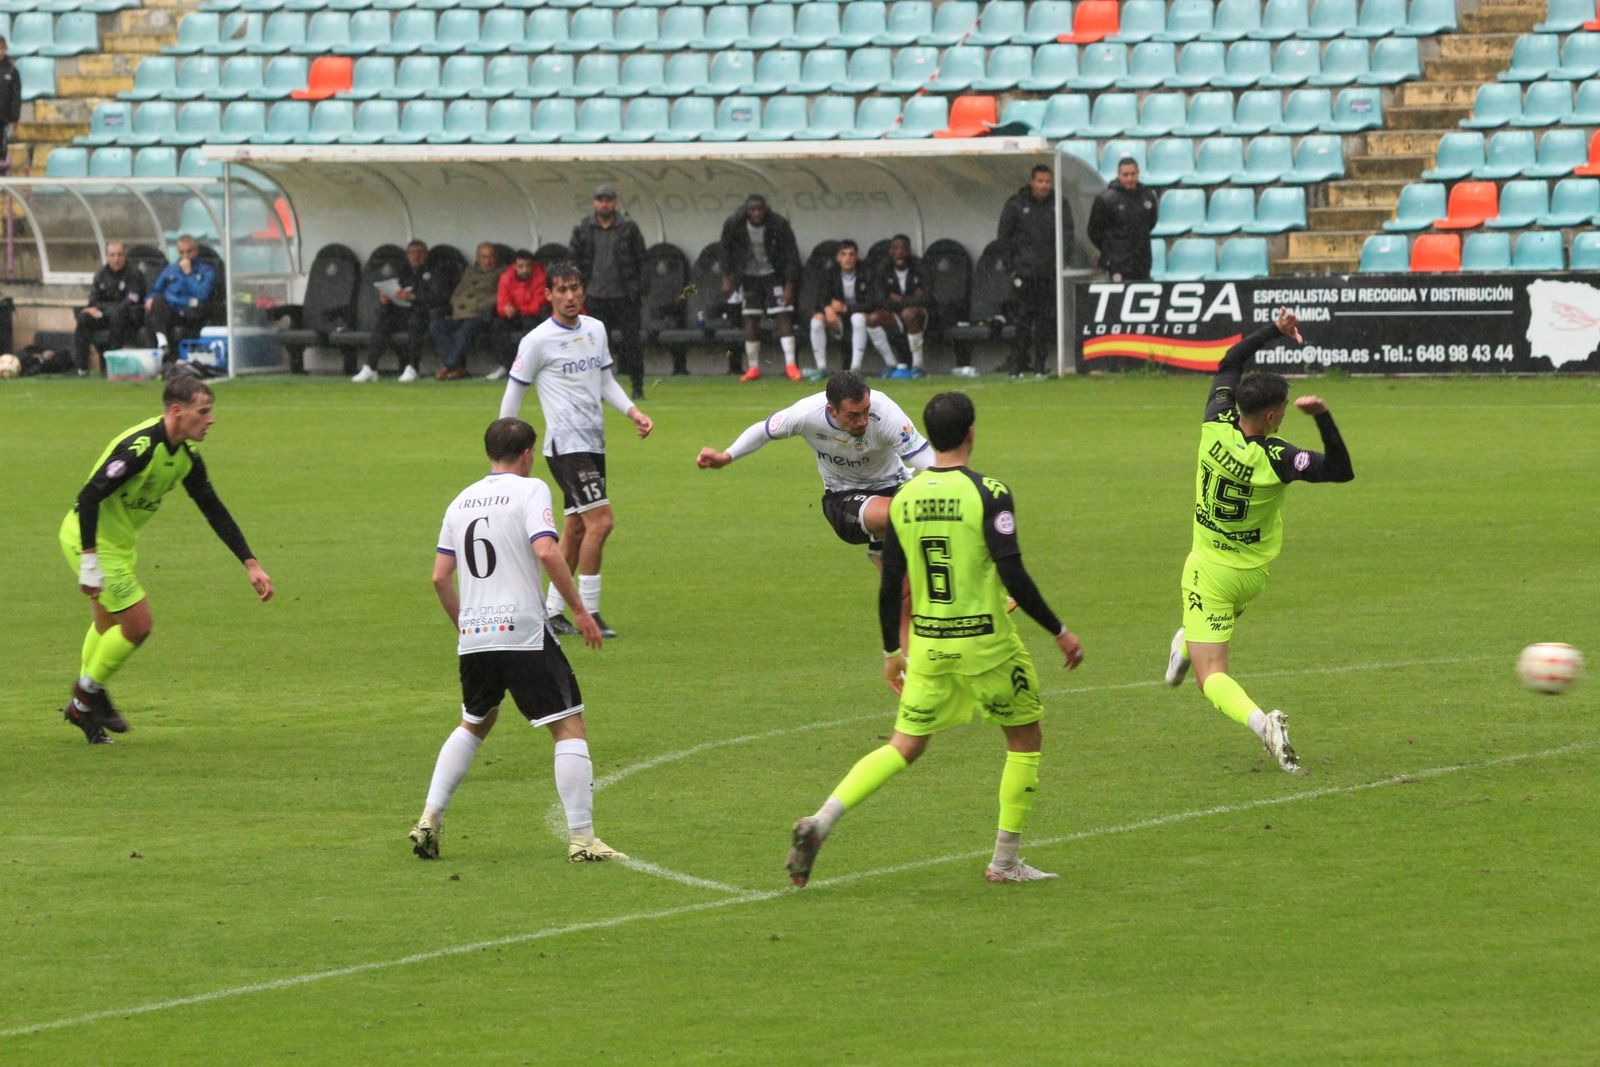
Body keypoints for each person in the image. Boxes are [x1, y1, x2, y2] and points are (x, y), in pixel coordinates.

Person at [785, 391, 1084, 887]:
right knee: (1024, 738)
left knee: (903, 746)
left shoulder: (904, 499)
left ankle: (822, 820)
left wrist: (890, 652)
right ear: (970, 433)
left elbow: (890, 583)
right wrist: (1059, 630)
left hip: (926, 645)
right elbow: (1014, 572)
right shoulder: (989, 491)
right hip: (985, 644)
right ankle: (1005, 861)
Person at [411, 416, 625, 864]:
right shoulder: (531, 491)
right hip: (523, 631)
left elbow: (439, 577)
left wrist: (464, 624)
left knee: (475, 723)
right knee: (569, 726)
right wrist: (581, 611)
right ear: (528, 454)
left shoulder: (460, 501)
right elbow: (547, 550)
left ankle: (430, 816)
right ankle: (583, 840)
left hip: (475, 636)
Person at [1163, 308, 1354, 773]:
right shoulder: (1280, 457)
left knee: (1212, 677)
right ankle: (1184, 642)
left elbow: (1231, 357)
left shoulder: (1214, 424)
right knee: (1202, 628)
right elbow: (1340, 470)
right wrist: (1324, 418)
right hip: (1251, 574)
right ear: (1272, 416)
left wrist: (1274, 331)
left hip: (1210, 569)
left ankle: (1262, 724)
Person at [57, 375, 274, 744]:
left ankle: (84, 703)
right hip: (88, 538)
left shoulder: (186, 458)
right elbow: (89, 496)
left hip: (119, 545)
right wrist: (90, 560)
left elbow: (214, 510)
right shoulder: (141, 447)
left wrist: (250, 562)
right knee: (138, 624)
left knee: (108, 624)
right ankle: (87, 693)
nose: (211, 420)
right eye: (203, 412)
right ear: (177, 411)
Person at [498, 263, 653, 639]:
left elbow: (605, 380)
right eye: (561, 290)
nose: (569, 296)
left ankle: (551, 612)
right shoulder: (537, 340)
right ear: (548, 295)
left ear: (582, 291)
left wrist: (633, 412)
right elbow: (512, 398)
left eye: (575, 288)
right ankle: (591, 611)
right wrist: (506, 454)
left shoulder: (595, 330)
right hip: (565, 447)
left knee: (577, 527)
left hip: (593, 443)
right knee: (602, 522)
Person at [695, 369, 930, 572]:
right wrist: (726, 456)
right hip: (843, 498)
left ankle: (886, 553)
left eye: (866, 411)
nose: (863, 421)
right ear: (832, 410)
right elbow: (763, 430)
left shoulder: (886, 412)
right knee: (902, 514)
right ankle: (886, 546)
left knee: (907, 593)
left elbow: (924, 459)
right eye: (853, 415)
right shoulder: (805, 414)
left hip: (895, 487)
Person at [570, 184, 648, 401]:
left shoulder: (629, 228)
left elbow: (642, 260)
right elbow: (574, 260)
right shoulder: (583, 229)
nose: (604, 204)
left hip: (625, 296)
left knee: (632, 344)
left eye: (608, 200)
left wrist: (641, 289)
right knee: (596, 347)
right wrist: (578, 290)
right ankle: (600, 389)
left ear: (615, 203)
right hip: (595, 295)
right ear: (595, 203)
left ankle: (637, 387)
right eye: (600, 200)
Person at [997, 164, 1073, 379]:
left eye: (1047, 181)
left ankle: (1040, 365)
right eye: (1040, 181)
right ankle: (1017, 366)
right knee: (1021, 321)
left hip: (1048, 274)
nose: (1044, 185)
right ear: (1032, 182)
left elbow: (1068, 234)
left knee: (1044, 322)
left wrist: (1063, 262)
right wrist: (1011, 269)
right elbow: (1004, 237)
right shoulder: (1016, 204)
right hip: (1023, 275)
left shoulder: (1059, 204)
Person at [719, 194, 802, 383]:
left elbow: (791, 255)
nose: (756, 213)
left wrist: (789, 285)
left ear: (766, 209)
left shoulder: (778, 224)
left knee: (783, 314)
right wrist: (727, 278)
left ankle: (791, 365)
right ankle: (753, 367)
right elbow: (724, 251)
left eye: (760, 209)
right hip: (748, 276)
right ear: (746, 210)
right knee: (750, 317)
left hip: (775, 275)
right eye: (752, 209)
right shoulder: (734, 224)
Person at [352, 239, 445, 384]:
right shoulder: (403, 270)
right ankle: (370, 367)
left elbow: (438, 297)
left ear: (426, 254)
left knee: (416, 321)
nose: (416, 256)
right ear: (407, 255)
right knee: (383, 322)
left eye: (420, 253)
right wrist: (387, 297)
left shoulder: (435, 271)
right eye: (412, 253)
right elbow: (395, 289)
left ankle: (412, 367)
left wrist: (413, 297)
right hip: (401, 312)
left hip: (423, 313)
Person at [73, 241, 147, 377]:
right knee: (84, 317)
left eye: (119, 255)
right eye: (112, 255)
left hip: (128, 317)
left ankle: (112, 365)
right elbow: (94, 300)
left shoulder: (134, 274)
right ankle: (81, 367)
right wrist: (96, 310)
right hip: (104, 315)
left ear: (125, 256)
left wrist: (104, 310)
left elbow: (132, 299)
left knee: (117, 314)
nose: (116, 259)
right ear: (107, 256)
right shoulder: (101, 274)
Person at [432, 242, 501, 380]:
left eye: (491, 257)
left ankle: (449, 365)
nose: (488, 261)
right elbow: (457, 294)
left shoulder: (502, 272)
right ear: (477, 258)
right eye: (484, 257)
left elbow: (500, 296)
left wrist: (476, 305)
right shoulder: (470, 271)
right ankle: (458, 367)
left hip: (481, 315)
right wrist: (460, 305)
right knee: (435, 326)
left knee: (468, 327)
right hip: (460, 314)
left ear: (496, 257)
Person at [866, 234, 931, 380]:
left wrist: (900, 299)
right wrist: (911, 299)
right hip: (895, 315)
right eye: (896, 248)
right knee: (872, 319)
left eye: (904, 248)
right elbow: (879, 300)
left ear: (909, 251)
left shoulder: (920, 267)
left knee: (910, 313)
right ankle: (891, 364)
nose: (900, 252)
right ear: (890, 251)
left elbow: (928, 298)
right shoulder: (883, 269)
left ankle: (917, 366)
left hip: (921, 315)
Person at [144, 235, 216, 364]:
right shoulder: (171, 270)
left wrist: (189, 274)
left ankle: (165, 353)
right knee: (156, 302)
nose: (186, 256)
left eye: (189, 251)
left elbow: (202, 295)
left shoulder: (206, 271)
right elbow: (156, 290)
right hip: (170, 311)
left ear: (196, 251)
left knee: (160, 309)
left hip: (190, 312)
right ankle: (161, 342)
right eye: (182, 252)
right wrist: (150, 299)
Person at [806, 240, 871, 382]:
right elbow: (819, 299)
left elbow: (873, 302)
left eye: (851, 254)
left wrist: (846, 308)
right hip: (837, 321)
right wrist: (827, 308)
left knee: (857, 318)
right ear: (838, 258)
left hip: (858, 318)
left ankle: (855, 368)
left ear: (856, 257)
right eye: (843, 254)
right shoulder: (829, 273)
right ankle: (822, 367)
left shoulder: (866, 272)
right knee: (816, 320)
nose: (847, 258)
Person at [1087, 157, 1159, 283]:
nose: (1130, 178)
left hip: (1142, 264)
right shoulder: (1106, 199)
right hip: (1117, 266)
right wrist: (1112, 251)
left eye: (1133, 174)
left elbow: (1151, 222)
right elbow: (1094, 231)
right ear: (1118, 175)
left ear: (1138, 173)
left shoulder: (1148, 195)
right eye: (1125, 175)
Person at [486, 248, 549, 383]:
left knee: (531, 326)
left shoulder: (540, 277)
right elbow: (501, 302)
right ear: (514, 266)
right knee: (497, 325)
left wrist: (518, 309)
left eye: (528, 266)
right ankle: (507, 365)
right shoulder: (506, 277)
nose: (524, 270)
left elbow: (538, 303)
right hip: (513, 316)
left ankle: (530, 367)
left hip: (532, 315)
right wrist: (506, 309)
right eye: (521, 266)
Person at [0, 38, 20, 170]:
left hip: (3, 119)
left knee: (1, 151)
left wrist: (15, 118)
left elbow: (16, 96)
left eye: (1, 48)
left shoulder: (12, 71)